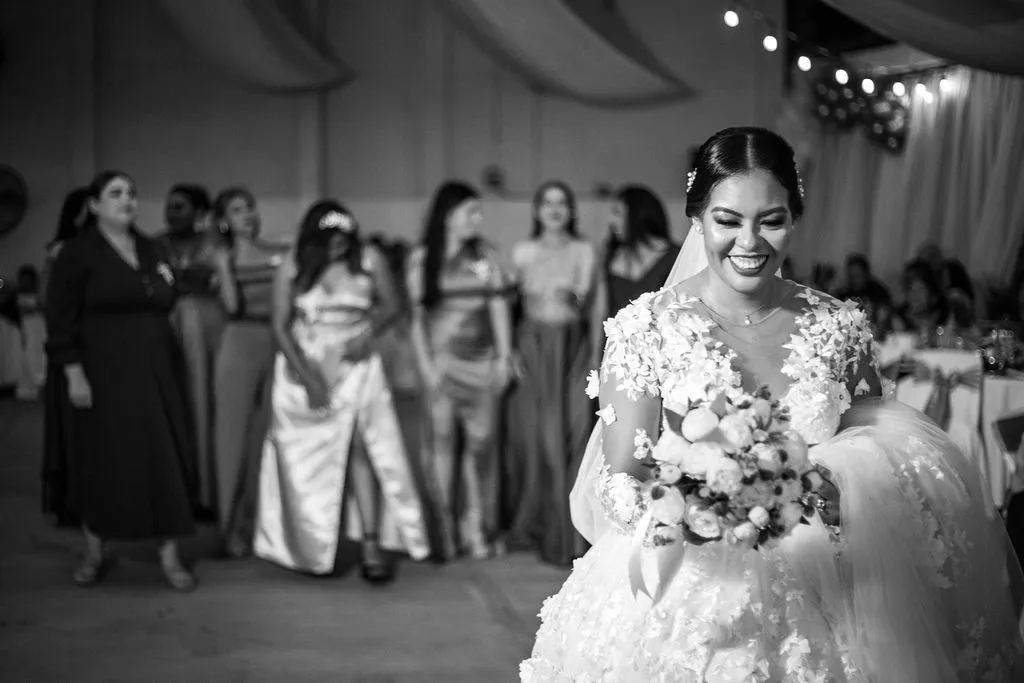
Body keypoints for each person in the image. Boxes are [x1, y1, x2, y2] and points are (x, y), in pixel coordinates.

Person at [521, 127, 1024, 681]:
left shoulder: (838, 326)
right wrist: (715, 504)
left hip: (834, 583)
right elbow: (622, 479)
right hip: (692, 587)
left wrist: (822, 491)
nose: (750, 242)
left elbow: (884, 456)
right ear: (697, 220)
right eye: (728, 220)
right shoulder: (647, 328)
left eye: (772, 220)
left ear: (795, 217)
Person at [254, 200, 429, 580]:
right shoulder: (294, 264)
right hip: (306, 364)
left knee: (362, 447)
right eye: (330, 241)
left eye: (344, 239)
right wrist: (308, 375)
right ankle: (310, 545)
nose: (339, 247)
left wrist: (368, 335)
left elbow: (393, 305)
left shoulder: (368, 258)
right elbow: (280, 325)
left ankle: (369, 546)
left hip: (357, 364)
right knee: (304, 456)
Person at [45, 170, 197, 591]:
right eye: (115, 194)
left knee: (162, 456)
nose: (127, 200)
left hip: (156, 367)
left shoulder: (152, 248)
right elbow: (60, 319)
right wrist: (74, 373)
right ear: (94, 205)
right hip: (103, 369)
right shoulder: (77, 253)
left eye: (132, 193)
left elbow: (169, 294)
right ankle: (94, 550)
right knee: (103, 458)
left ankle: (169, 555)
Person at [407, 182, 515, 560]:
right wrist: (425, 366)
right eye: (471, 211)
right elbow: (416, 319)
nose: (478, 219)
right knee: (441, 445)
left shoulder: (486, 256)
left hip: (482, 364)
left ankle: (478, 529)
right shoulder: (423, 259)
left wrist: (504, 357)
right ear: (449, 215)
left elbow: (499, 307)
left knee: (482, 448)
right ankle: (443, 531)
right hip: (441, 364)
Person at [503, 181, 597, 566]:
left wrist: (568, 296)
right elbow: (508, 305)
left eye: (562, 203)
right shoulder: (522, 252)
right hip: (532, 347)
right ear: (537, 210)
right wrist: (508, 349)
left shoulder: (583, 250)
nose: (555, 209)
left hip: (570, 348)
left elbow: (587, 301)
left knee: (571, 434)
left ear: (571, 210)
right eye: (547, 203)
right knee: (536, 438)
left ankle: (569, 532)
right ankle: (538, 526)